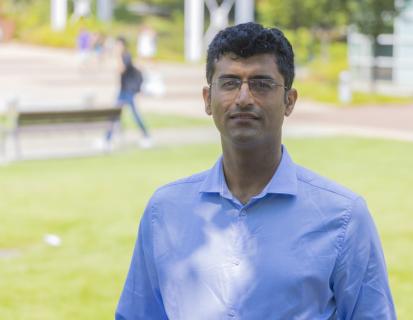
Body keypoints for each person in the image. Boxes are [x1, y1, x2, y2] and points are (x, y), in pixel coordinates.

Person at [115, 23, 396, 319]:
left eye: (261, 84)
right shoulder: (165, 211)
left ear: (289, 101)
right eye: (230, 83)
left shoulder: (343, 217)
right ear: (207, 100)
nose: (243, 98)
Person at [106, 36, 151, 148]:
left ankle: (146, 136)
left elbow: (121, 69)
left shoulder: (126, 56)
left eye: (118, 45)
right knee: (115, 115)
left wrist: (117, 56)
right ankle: (108, 138)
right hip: (123, 90)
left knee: (133, 115)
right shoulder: (122, 56)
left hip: (128, 91)